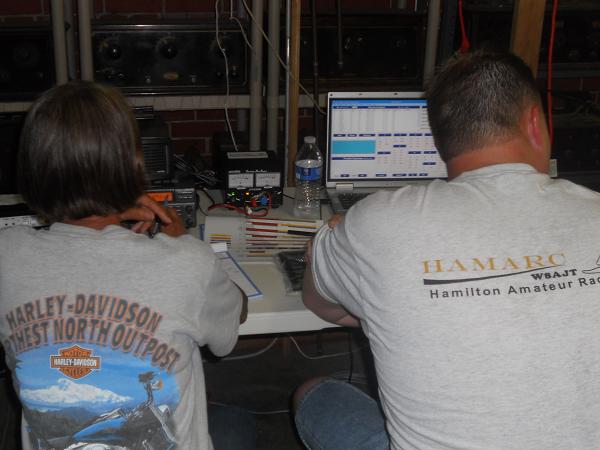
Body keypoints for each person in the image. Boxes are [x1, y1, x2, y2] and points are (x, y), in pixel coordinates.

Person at [294, 49, 600, 449]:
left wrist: (403, 311)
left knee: (314, 392)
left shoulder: (375, 222)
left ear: (439, 143)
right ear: (534, 124)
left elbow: (320, 304)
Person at [0, 81, 254, 449]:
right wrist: (181, 243)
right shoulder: (187, 263)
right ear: (135, 162)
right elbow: (231, 324)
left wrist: (101, 206)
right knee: (238, 422)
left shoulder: (6, 255)